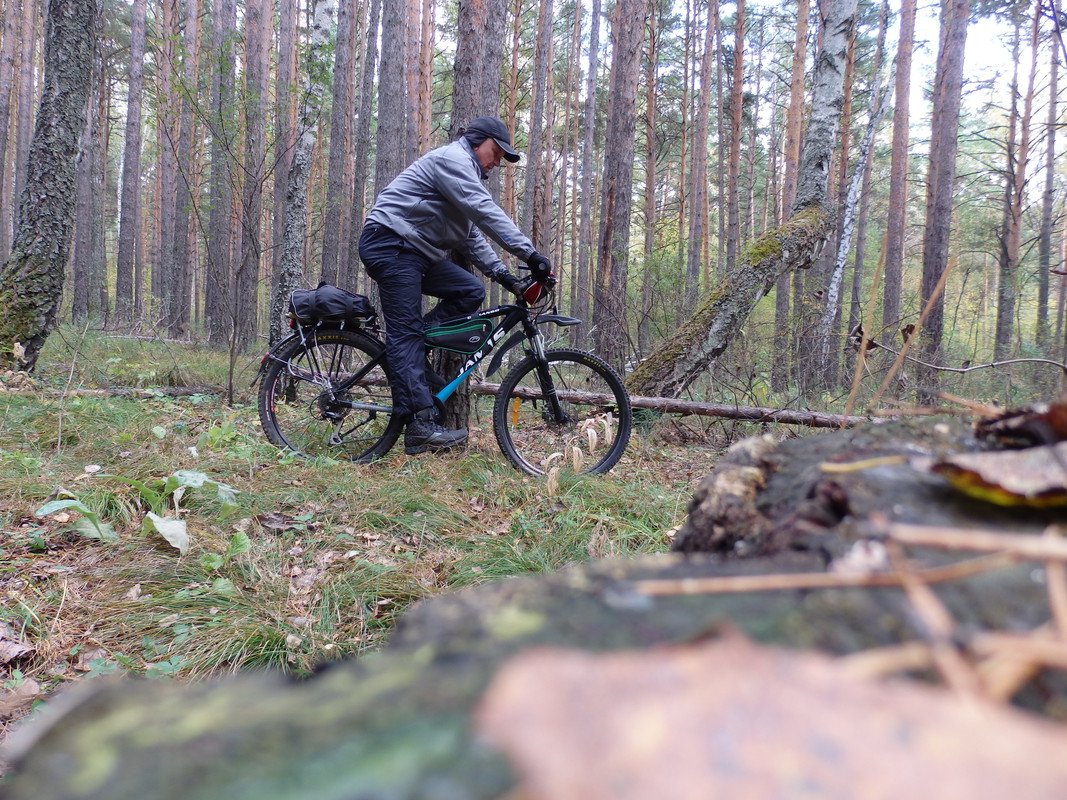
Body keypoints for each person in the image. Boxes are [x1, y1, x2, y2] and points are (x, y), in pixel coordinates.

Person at [358, 115, 553, 456]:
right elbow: (484, 211)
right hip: (390, 243)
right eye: (496, 152)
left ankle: (414, 348)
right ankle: (418, 426)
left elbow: (470, 236)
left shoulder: (464, 177)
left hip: (414, 251)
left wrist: (505, 276)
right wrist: (530, 254)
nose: (497, 162)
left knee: (470, 291)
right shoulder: (453, 160)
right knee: (405, 333)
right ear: (477, 141)